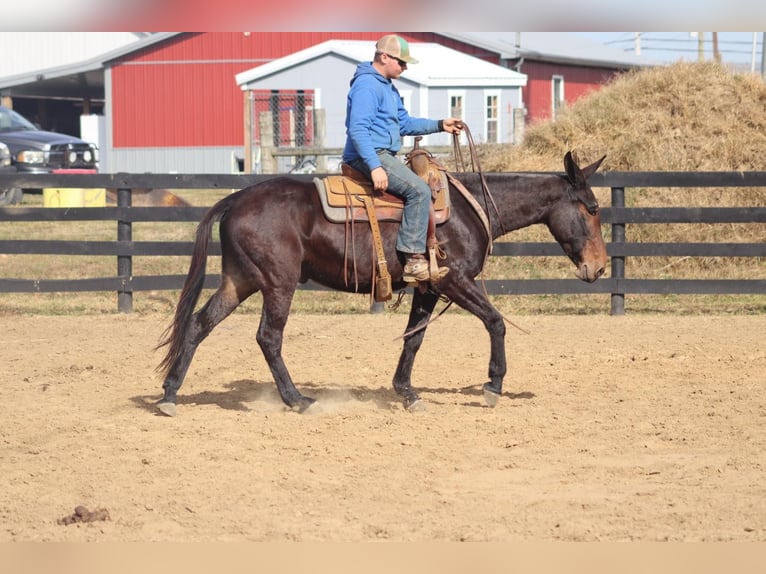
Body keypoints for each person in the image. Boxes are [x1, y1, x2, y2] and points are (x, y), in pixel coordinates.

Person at [342, 34, 463, 283]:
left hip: (380, 154)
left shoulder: (387, 87)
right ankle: (413, 260)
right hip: (369, 155)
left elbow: (405, 123)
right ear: (384, 57)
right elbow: (358, 130)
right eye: (401, 62)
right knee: (419, 190)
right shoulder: (367, 86)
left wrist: (440, 124)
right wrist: (375, 167)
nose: (405, 67)